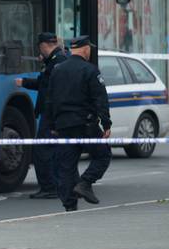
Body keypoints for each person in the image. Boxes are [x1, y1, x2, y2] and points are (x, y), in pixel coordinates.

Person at [47, 36, 112, 211]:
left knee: (67, 166)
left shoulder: (57, 70)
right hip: (85, 124)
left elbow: (50, 100)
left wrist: (52, 125)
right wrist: (106, 124)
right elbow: (100, 99)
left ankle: (69, 206)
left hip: (64, 126)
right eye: (89, 48)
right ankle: (85, 183)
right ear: (85, 49)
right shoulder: (90, 70)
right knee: (103, 155)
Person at [15, 32, 67, 199]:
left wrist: (24, 82)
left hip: (51, 113)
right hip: (53, 113)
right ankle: (54, 185)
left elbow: (46, 85)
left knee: (42, 150)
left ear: (44, 46)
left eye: (40, 48)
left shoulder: (57, 62)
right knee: (52, 150)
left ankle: (49, 187)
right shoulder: (56, 60)